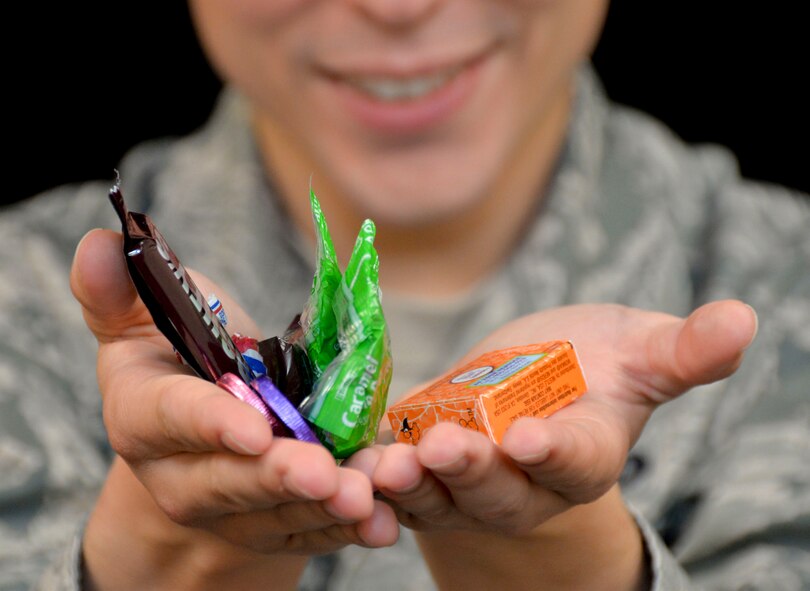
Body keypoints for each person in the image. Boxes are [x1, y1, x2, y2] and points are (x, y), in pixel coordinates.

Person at [1, 1, 808, 589]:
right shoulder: (18, 300)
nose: (399, 8)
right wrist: (160, 554)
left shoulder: (789, 279)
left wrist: (563, 560)